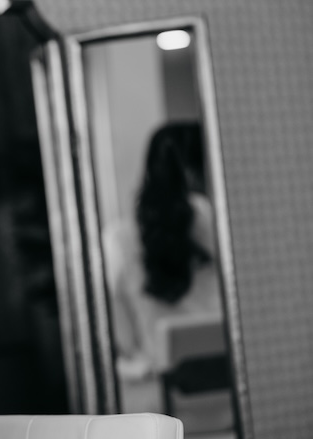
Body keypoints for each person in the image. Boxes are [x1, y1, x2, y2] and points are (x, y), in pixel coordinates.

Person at [102, 122, 222, 401]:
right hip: (226, 388)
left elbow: (123, 343)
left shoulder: (118, 240)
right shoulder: (211, 220)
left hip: (159, 400)